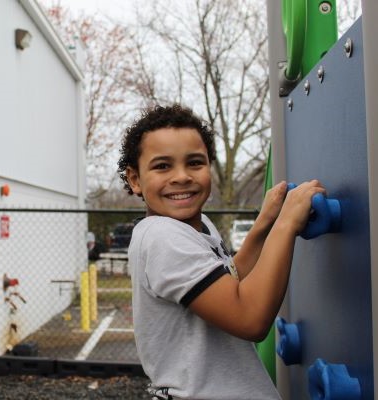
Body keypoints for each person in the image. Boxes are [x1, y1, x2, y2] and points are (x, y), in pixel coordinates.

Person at [117, 104, 325, 400]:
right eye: (162, 166)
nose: (182, 176)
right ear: (135, 179)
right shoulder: (163, 236)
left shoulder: (197, 226)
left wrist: (263, 225)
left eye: (195, 163)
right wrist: (287, 223)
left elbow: (229, 283)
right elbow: (249, 318)